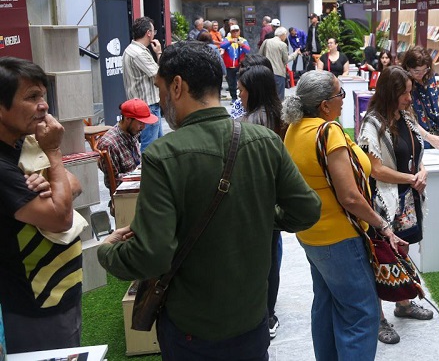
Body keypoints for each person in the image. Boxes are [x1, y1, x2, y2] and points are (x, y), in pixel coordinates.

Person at [98, 41, 321, 360]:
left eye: (160, 88)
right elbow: (307, 210)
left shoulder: (163, 155)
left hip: (191, 329)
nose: (161, 100)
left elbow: (153, 254)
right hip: (251, 322)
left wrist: (108, 252)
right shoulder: (266, 142)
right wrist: (258, 214)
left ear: (177, 86)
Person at [283, 70, 406, 360]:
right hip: (341, 237)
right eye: (339, 94)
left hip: (311, 235)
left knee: (325, 304)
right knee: (361, 313)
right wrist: (382, 224)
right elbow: (350, 196)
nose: (343, 99)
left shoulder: (294, 128)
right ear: (325, 105)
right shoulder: (329, 132)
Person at [0, 57, 83, 353]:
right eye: (32, 97)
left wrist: (51, 182)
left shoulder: (22, 142)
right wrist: (54, 151)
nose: (44, 106)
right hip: (35, 305)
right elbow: (61, 216)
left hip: (61, 293)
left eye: (43, 96)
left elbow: (74, 184)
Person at [358, 66, 432, 345]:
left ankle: (403, 304)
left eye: (410, 93)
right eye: (405, 93)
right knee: (381, 258)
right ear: (391, 92)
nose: (409, 99)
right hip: (384, 202)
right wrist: (412, 178)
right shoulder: (372, 124)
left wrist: (421, 170)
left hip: (408, 200)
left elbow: (417, 152)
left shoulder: (405, 117)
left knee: (401, 251)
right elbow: (375, 169)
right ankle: (377, 318)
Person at [235, 64, 285, 340]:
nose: (238, 93)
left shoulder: (250, 123)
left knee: (260, 261)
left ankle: (264, 315)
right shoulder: (280, 115)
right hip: (274, 200)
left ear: (252, 91)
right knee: (271, 259)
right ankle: (269, 311)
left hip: (255, 203)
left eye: (241, 89)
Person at [95, 98, 157, 194]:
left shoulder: (132, 132)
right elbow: (113, 182)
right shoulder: (109, 144)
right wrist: (140, 175)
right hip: (126, 195)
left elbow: (137, 164)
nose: (143, 127)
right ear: (127, 119)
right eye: (140, 123)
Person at [122, 16, 163, 152]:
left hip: (144, 104)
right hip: (147, 105)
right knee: (150, 147)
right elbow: (159, 75)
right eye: (153, 31)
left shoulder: (131, 49)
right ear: (148, 33)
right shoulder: (139, 53)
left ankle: (157, 172)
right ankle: (147, 172)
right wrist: (159, 53)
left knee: (159, 144)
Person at [401, 46, 439, 148]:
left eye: (424, 70)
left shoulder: (429, 76)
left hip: (435, 130)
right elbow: (406, 115)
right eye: (416, 71)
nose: (421, 74)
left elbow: (436, 96)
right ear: (408, 67)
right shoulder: (404, 83)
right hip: (417, 134)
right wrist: (427, 137)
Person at [259, 26, 301, 100]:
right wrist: (295, 53)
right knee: (279, 97)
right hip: (278, 73)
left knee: (268, 95)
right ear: (283, 35)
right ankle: (278, 111)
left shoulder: (266, 42)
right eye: (286, 35)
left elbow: (260, 55)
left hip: (266, 72)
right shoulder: (282, 45)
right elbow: (286, 60)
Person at [220, 24, 251, 101]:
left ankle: (242, 97)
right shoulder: (227, 39)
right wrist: (230, 42)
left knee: (242, 82)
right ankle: (234, 97)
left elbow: (248, 50)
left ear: (239, 31)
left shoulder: (243, 40)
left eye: (237, 31)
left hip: (240, 65)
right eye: (233, 31)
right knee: (231, 83)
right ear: (231, 32)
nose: (235, 33)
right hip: (229, 66)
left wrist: (242, 45)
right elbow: (222, 46)